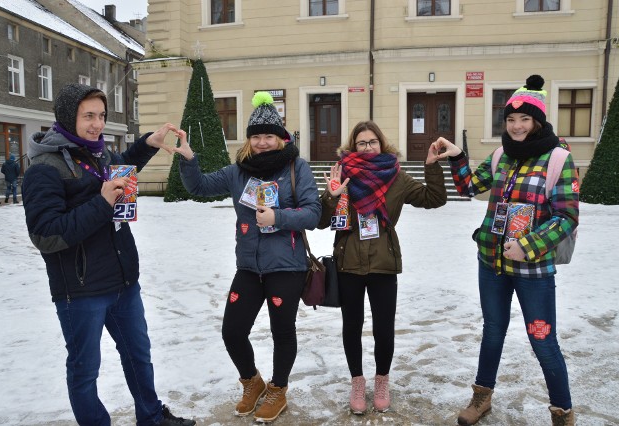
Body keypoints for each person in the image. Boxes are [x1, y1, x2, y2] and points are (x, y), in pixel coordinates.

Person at [22, 83, 195, 426]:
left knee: (139, 357)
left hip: (122, 281)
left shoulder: (98, 154)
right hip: (81, 290)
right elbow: (47, 234)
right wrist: (102, 203)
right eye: (88, 116)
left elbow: (123, 167)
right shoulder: (45, 167)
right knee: (85, 371)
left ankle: (151, 418)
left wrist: (148, 144)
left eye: (101, 116)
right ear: (68, 117)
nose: (97, 124)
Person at [431, 75, 578, 426]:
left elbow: (567, 217)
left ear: (537, 121)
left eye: (524, 119)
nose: (516, 126)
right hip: (491, 264)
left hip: (534, 270)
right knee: (493, 330)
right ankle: (481, 398)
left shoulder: (558, 158)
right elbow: (469, 186)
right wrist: (457, 156)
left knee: (543, 339)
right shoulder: (502, 155)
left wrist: (528, 245)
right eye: (511, 120)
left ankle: (563, 411)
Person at [175, 91, 321, 423]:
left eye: (269, 135)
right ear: (249, 140)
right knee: (232, 331)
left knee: (282, 331)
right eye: (257, 136)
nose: (263, 142)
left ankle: (278, 389)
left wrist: (278, 218)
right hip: (249, 266)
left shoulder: (296, 168)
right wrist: (188, 160)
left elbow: (313, 213)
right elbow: (199, 187)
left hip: (286, 264)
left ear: (281, 137)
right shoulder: (238, 172)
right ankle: (251, 382)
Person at [317, 120, 447, 414]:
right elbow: (321, 220)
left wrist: (431, 165)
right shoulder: (342, 174)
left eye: (372, 142)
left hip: (384, 263)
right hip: (348, 262)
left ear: (381, 144)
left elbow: (434, 198)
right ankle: (357, 382)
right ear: (353, 147)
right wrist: (331, 195)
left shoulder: (397, 178)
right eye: (361, 143)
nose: (367, 148)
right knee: (352, 326)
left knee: (383, 327)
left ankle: (382, 379)